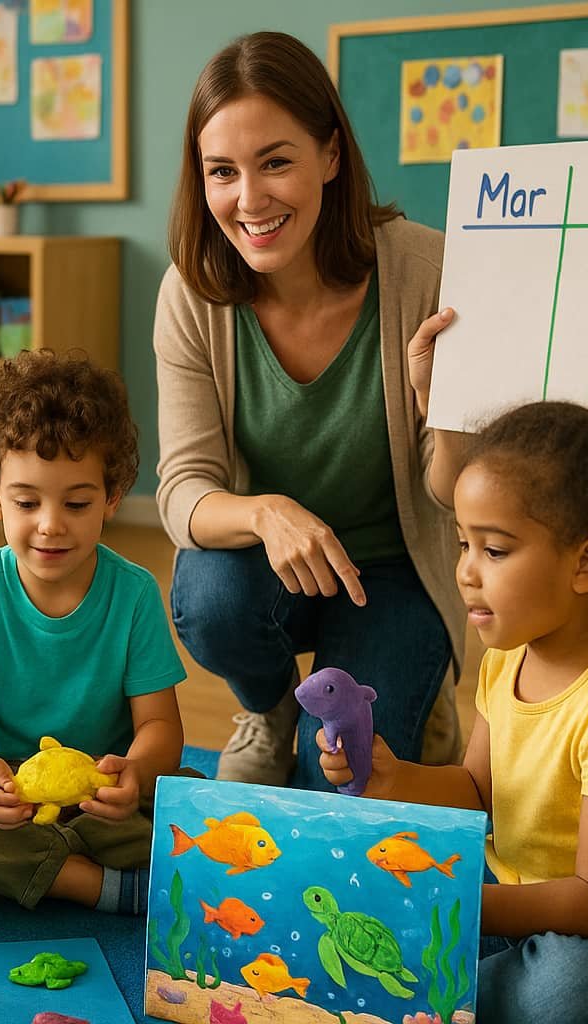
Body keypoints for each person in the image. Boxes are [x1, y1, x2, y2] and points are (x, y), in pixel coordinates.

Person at [321, 372, 588, 1024]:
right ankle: (460, 985)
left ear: (587, 564)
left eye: (495, 550)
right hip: (514, 900)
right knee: (379, 911)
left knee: (563, 994)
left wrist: (465, 905)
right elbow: (479, 792)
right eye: (464, 543)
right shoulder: (507, 658)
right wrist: (393, 777)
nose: (466, 570)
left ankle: (462, 990)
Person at [154, 31, 468, 791]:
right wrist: (264, 514)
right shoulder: (191, 294)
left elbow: (459, 497)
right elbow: (181, 492)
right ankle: (269, 706)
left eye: (276, 162)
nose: (249, 200)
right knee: (206, 598)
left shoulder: (429, 276)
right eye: (221, 172)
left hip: (394, 574)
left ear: (330, 156)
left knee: (336, 780)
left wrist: (442, 408)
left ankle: (420, 698)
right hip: (272, 575)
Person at [0, 351, 188, 922]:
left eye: (76, 503)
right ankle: (95, 886)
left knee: (192, 801)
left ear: (112, 498)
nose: (51, 524)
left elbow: (160, 728)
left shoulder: (133, 594)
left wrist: (133, 773)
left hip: (100, 802)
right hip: (12, 802)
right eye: (27, 502)